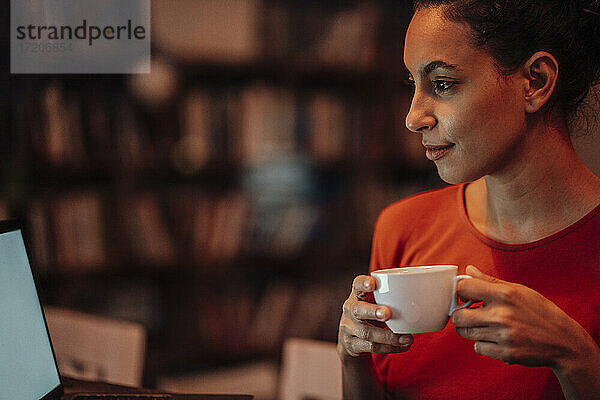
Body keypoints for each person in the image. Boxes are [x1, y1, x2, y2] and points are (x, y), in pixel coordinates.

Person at [337, 1, 600, 399]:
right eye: (413, 85)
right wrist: (351, 358)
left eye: (442, 84)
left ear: (535, 81)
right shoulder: (403, 227)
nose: (412, 118)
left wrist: (576, 358)